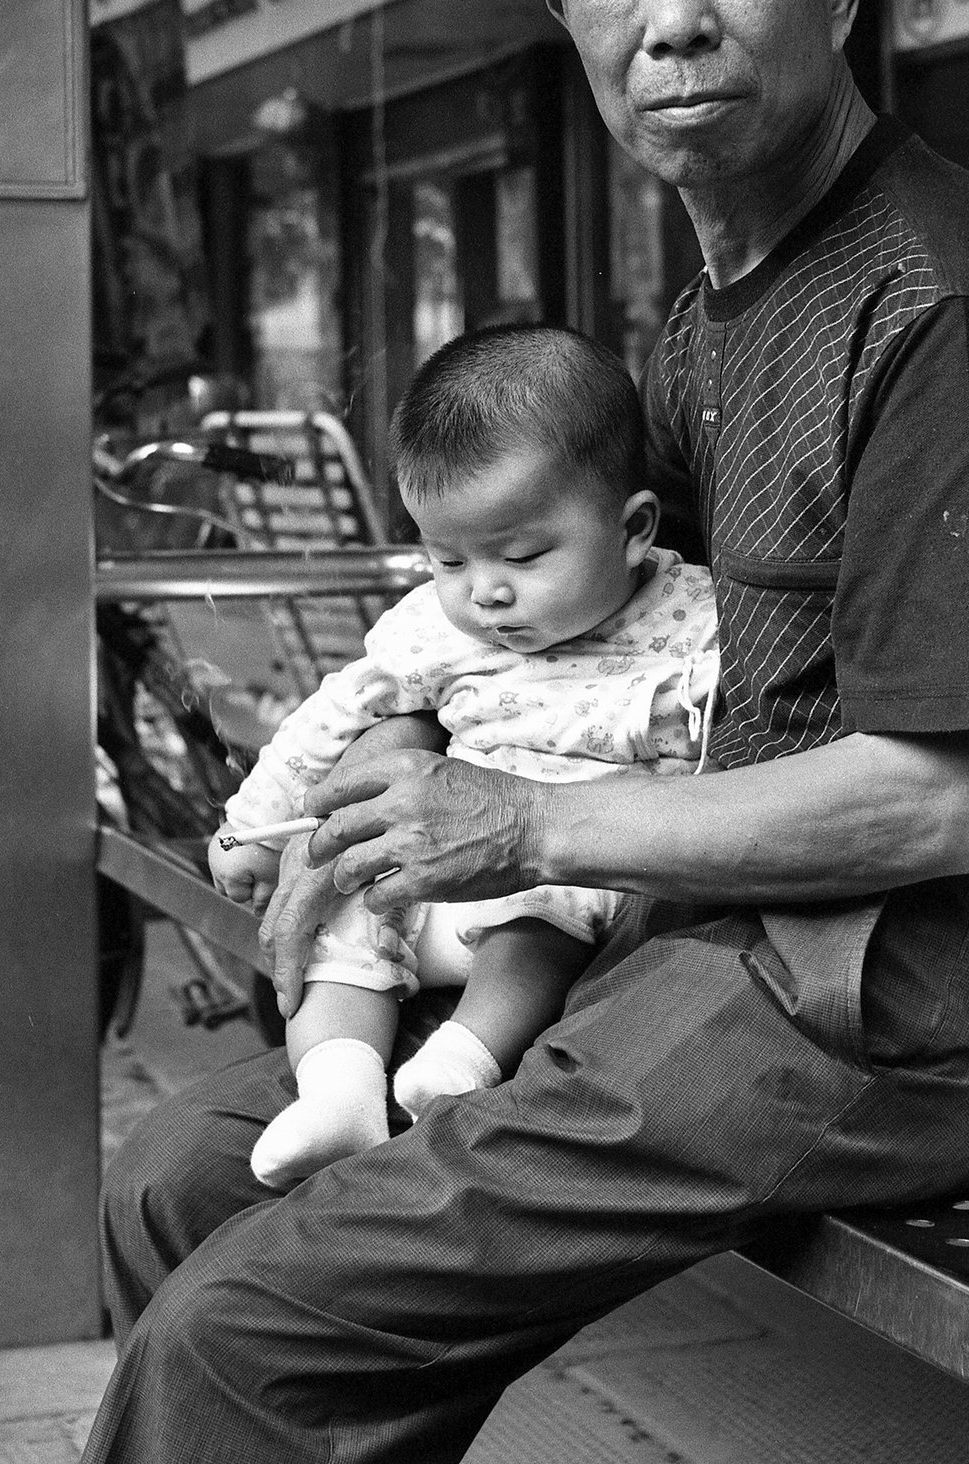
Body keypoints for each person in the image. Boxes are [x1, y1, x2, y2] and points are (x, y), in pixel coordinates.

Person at [81, 0, 969, 1464]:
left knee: (245, 1342)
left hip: (892, 990)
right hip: (689, 946)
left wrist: (517, 821)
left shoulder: (947, 306)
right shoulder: (715, 309)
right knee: (175, 1185)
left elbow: (936, 801)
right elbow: (564, 625)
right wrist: (372, 817)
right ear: (566, 10)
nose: (671, 16)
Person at [208, 324, 717, 1190]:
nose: (486, 590)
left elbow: (734, 729)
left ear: (633, 529)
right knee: (344, 902)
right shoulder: (435, 627)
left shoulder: (690, 619)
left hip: (561, 879)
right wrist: (254, 829)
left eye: (521, 556)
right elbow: (334, 717)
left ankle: (465, 1059)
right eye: (447, 559)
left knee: (543, 905)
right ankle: (340, 1093)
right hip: (429, 871)